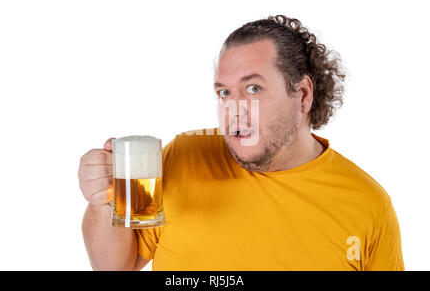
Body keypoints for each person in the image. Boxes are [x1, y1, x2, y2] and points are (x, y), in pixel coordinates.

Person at [78, 15, 404, 271]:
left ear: (302, 94)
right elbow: (115, 266)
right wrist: (103, 199)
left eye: (253, 89)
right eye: (224, 92)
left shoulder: (368, 205)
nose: (234, 110)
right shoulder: (184, 155)